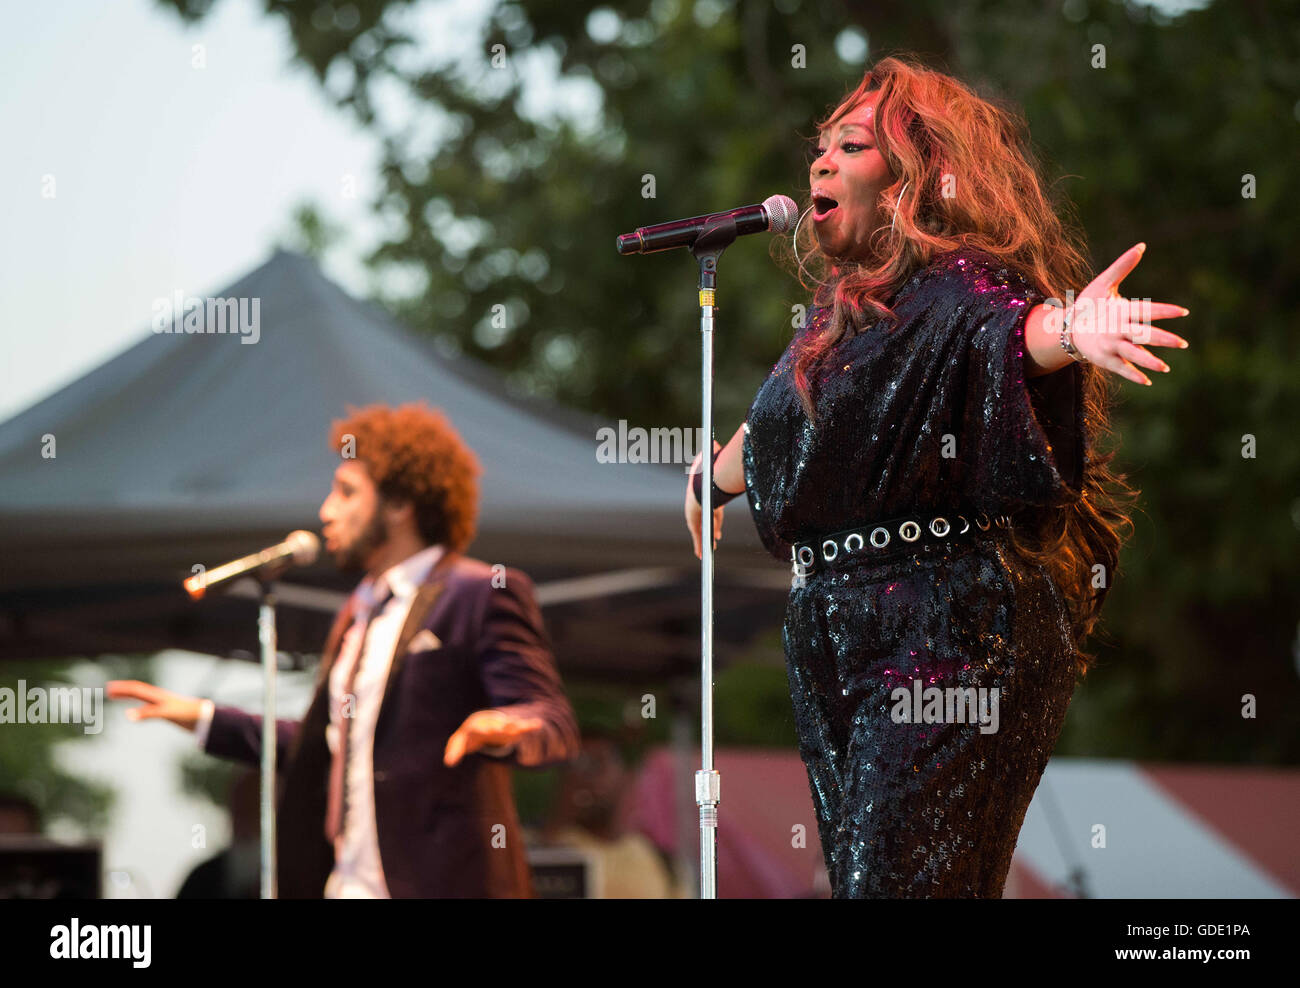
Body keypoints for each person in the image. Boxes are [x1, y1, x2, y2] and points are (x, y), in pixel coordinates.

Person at [685, 55, 1190, 898]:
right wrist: (711, 479)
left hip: (941, 627)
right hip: (835, 633)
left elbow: (1009, 333)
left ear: (921, 175)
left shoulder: (961, 286)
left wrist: (1076, 326)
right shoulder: (839, 321)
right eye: (821, 145)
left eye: (851, 144)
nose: (820, 160)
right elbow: (786, 423)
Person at [109, 402, 579, 897]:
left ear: (399, 505)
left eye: (346, 492)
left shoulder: (479, 592)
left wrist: (509, 728)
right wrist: (203, 717)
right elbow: (329, 748)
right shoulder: (357, 611)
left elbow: (551, 718)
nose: (325, 511)